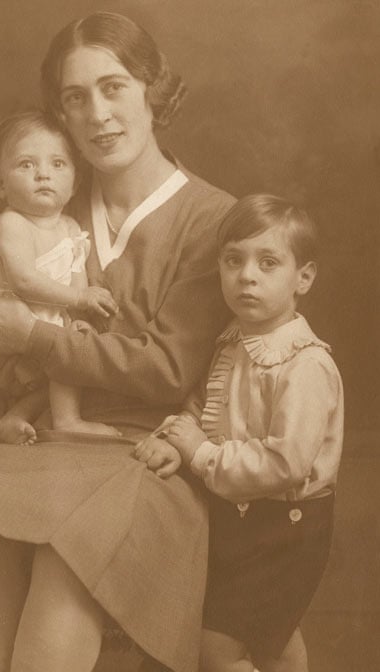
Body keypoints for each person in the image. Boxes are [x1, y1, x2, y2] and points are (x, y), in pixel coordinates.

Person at [0, 11, 236, 672]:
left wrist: (30, 334)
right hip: (52, 443)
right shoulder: (48, 205)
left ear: (152, 88)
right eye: (74, 97)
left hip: (147, 454)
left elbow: (168, 371)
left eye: (113, 87)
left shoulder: (212, 217)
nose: (97, 114)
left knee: (67, 556)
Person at [135, 194, 344, 672]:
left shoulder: (306, 365)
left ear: (303, 278)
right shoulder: (235, 339)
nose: (246, 275)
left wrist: (202, 454)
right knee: (274, 641)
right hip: (239, 519)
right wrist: (176, 441)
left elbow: (284, 464)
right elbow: (208, 405)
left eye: (268, 262)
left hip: (287, 529)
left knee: (216, 650)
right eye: (233, 260)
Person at [0, 110, 119, 443]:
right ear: (0, 183)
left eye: (58, 164)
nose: (43, 175)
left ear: (75, 182)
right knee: (60, 349)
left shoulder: (70, 229)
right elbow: (23, 280)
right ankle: (67, 420)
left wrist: (80, 318)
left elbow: (75, 283)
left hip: (29, 326)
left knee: (71, 347)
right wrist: (79, 300)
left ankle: (15, 417)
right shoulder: (12, 223)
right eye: (26, 164)